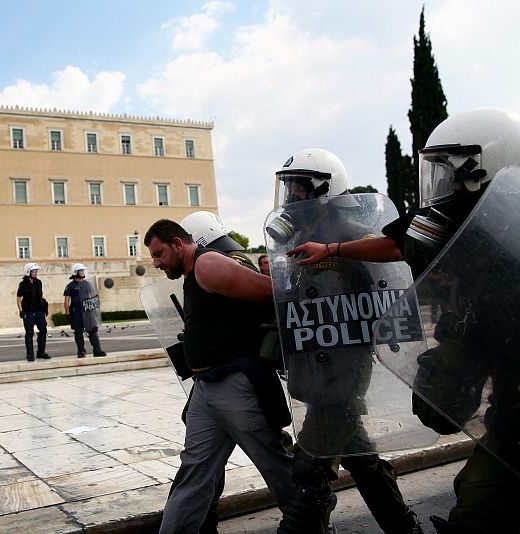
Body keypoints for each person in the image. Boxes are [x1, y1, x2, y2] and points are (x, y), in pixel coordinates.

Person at [286, 109, 520, 534]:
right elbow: (396, 244)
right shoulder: (449, 216)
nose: (441, 179)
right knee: (476, 496)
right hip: (507, 395)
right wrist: (333, 249)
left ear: (485, 162)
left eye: (448, 166)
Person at [268, 149, 422, 534]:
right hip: (318, 365)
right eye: (287, 188)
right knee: (362, 460)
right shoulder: (308, 238)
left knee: (310, 467)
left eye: (298, 188)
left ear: (324, 188)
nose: (291, 198)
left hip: (344, 367)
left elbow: (387, 294)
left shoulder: (351, 236)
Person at [144, 219, 295, 534]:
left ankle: (310, 523)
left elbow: (272, 291)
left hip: (235, 385)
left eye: (159, 254)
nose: (156, 263)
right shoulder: (192, 273)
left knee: (275, 464)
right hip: (206, 389)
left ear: (178, 243)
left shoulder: (208, 264)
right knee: (194, 471)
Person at [63, 263, 107, 358]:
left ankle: (97, 350)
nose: (83, 272)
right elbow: (66, 301)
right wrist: (67, 314)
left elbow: (93, 297)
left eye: (83, 271)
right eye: (81, 271)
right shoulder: (70, 286)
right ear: (76, 272)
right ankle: (81, 351)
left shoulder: (87, 284)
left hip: (87, 310)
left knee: (92, 330)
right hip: (76, 311)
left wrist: (95, 309)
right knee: (78, 332)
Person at [17, 263, 49, 361]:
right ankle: (30, 354)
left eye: (36, 272)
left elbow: (41, 295)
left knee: (43, 330)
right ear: (28, 272)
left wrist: (45, 307)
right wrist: (21, 311)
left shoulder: (39, 282)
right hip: (29, 312)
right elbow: (18, 298)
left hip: (39, 310)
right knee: (29, 332)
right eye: (34, 272)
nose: (36, 273)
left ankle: (41, 352)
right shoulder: (22, 284)